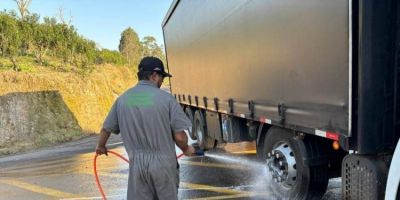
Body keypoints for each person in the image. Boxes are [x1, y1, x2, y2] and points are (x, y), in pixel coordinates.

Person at [96, 56, 195, 200]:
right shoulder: (166, 99)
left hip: (137, 167)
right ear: (154, 75)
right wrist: (186, 149)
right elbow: (179, 136)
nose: (162, 82)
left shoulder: (123, 99)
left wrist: (101, 146)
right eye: (162, 77)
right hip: (164, 167)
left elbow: (106, 128)